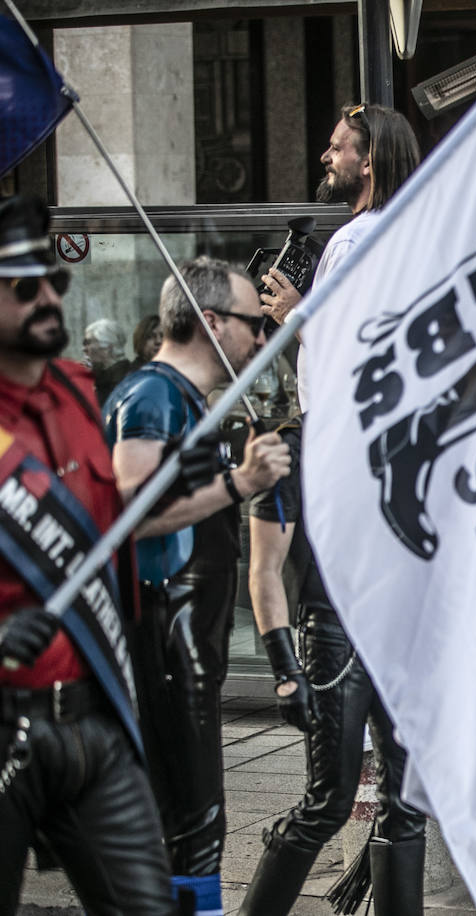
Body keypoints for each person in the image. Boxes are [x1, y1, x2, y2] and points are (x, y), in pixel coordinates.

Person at [0, 194, 175, 915]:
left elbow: (105, 528)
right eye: (23, 285)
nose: (48, 296)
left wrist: (201, 484)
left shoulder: (75, 390)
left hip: (89, 725)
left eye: (54, 281)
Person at [105, 256, 291, 915]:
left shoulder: (189, 402)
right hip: (160, 644)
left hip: (189, 648)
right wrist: (239, 484)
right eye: (250, 323)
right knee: (189, 826)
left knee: (197, 827)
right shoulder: (152, 395)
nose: (259, 336)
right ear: (210, 322)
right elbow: (132, 511)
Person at [238, 415, 427, 915]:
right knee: (328, 801)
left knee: (409, 802)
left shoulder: (408, 434)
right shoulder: (293, 448)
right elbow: (264, 570)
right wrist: (283, 667)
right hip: (333, 632)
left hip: (402, 630)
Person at [258, 102, 421, 412]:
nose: (325, 157)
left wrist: (291, 312)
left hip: (345, 424)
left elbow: (345, 351)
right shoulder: (410, 232)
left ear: (367, 164)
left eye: (335, 148)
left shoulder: (351, 241)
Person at [83, 317, 133, 406]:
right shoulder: (101, 380)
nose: (84, 349)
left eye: (89, 343)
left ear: (107, 348)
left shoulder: (125, 381)